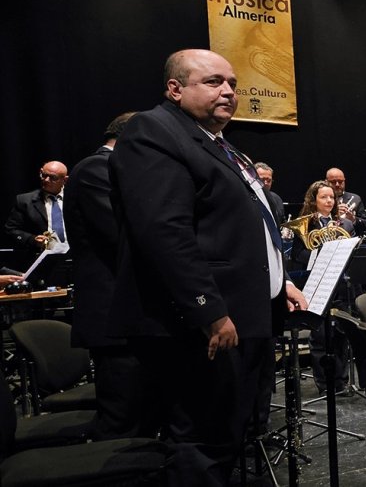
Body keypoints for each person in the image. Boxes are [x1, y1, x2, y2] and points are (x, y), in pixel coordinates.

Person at [108, 48, 307, 485]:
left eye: (233, 83)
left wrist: (281, 282)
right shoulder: (153, 131)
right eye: (214, 82)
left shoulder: (215, 141)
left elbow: (241, 225)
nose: (229, 91)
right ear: (175, 89)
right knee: (202, 443)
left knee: (228, 436)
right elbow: (164, 233)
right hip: (201, 324)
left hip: (245, 313)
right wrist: (209, 311)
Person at [66, 111, 153, 439]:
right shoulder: (96, 168)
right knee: (122, 424)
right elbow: (122, 235)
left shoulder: (115, 169)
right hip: (112, 315)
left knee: (143, 417)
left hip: (130, 316)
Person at [287, 179, 355, 393]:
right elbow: (297, 255)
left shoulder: (344, 225)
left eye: (331, 197)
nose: (329, 200)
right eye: (323, 197)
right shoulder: (306, 225)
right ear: (313, 200)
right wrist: (323, 252)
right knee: (320, 337)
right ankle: (325, 384)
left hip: (340, 286)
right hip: (318, 285)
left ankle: (341, 381)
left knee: (341, 336)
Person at [5, 160, 70, 262]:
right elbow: (11, 230)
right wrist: (32, 239)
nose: (46, 180)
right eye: (44, 175)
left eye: (53, 177)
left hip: (75, 255)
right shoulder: (25, 200)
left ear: (65, 180)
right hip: (41, 257)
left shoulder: (76, 198)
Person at [325, 167, 366, 236]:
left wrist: (353, 219)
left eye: (340, 181)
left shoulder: (355, 199)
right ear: (326, 182)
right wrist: (334, 212)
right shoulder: (320, 198)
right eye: (333, 182)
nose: (337, 184)